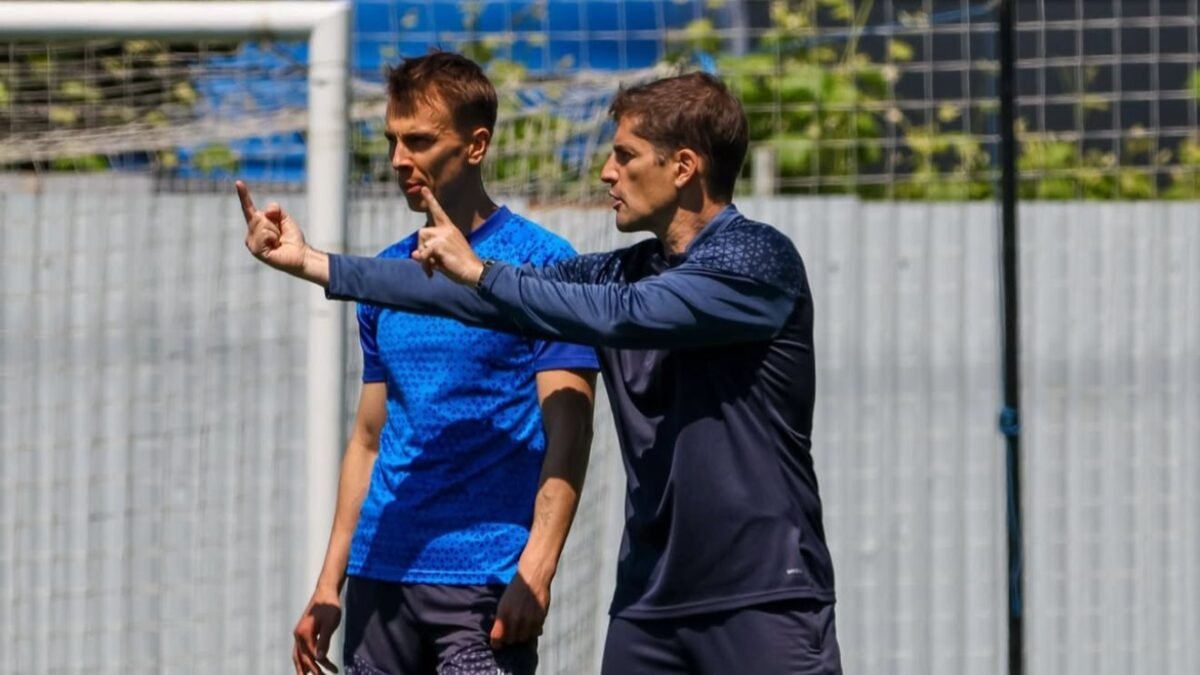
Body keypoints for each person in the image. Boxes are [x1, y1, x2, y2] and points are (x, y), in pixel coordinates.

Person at [241, 71, 842, 675]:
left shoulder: (758, 261)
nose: (607, 171)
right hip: (648, 601)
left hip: (766, 593)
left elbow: (631, 316)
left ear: (683, 166)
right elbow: (473, 296)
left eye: (624, 155)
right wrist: (314, 263)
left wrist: (481, 275)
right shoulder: (623, 272)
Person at [238, 51, 600, 675]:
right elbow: (370, 439)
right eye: (392, 140)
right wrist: (331, 584)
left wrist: (536, 571)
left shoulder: (542, 264)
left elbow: (570, 433)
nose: (400, 159)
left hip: (483, 580)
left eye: (421, 141)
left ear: (477, 144)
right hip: (381, 574)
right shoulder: (385, 274)